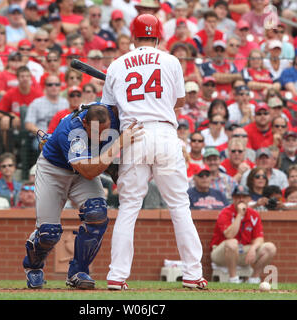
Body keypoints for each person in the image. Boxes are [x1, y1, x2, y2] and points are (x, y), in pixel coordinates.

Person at [101, 14, 207, 290]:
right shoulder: (171, 60)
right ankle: (193, 275)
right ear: (158, 36)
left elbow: (108, 111)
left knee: (128, 208)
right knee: (179, 206)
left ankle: (116, 275)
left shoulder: (116, 65)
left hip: (132, 135)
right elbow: (180, 100)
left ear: (134, 38)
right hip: (164, 132)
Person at [22, 102, 141, 289]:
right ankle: (33, 266)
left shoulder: (112, 113)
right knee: (49, 234)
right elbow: (89, 171)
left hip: (84, 171)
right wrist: (118, 144)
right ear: (85, 123)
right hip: (55, 171)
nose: (101, 136)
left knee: (97, 213)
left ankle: (78, 271)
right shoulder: (71, 131)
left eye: (105, 130)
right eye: (96, 132)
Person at [210, 185, 277, 284]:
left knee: (270, 248)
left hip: (243, 251)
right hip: (221, 253)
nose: (241, 200)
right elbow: (229, 235)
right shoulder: (225, 212)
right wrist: (239, 215)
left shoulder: (254, 214)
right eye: (238, 197)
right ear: (233, 198)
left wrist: (253, 248)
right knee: (232, 243)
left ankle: (254, 278)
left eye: (244, 197)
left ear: (249, 198)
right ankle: (233, 279)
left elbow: (259, 238)